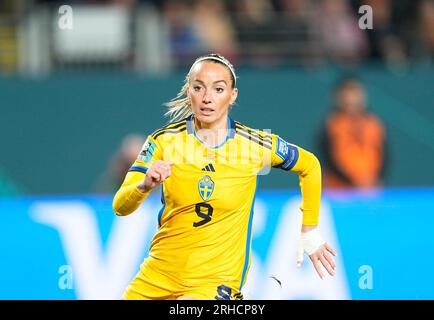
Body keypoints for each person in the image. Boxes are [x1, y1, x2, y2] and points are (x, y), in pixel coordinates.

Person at [113, 53, 336, 300]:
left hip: (214, 284)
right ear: (189, 91)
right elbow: (120, 206)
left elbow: (310, 165)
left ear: (233, 95)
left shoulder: (253, 146)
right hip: (157, 275)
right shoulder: (164, 141)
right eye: (199, 88)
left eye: (218, 89)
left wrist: (310, 229)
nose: (207, 98)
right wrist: (144, 185)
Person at [320, 77, 387, 189]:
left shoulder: (374, 123)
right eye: (347, 94)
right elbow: (328, 158)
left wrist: (374, 180)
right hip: (339, 190)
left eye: (355, 93)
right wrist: (353, 181)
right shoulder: (332, 124)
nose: (351, 99)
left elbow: (384, 155)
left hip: (371, 189)